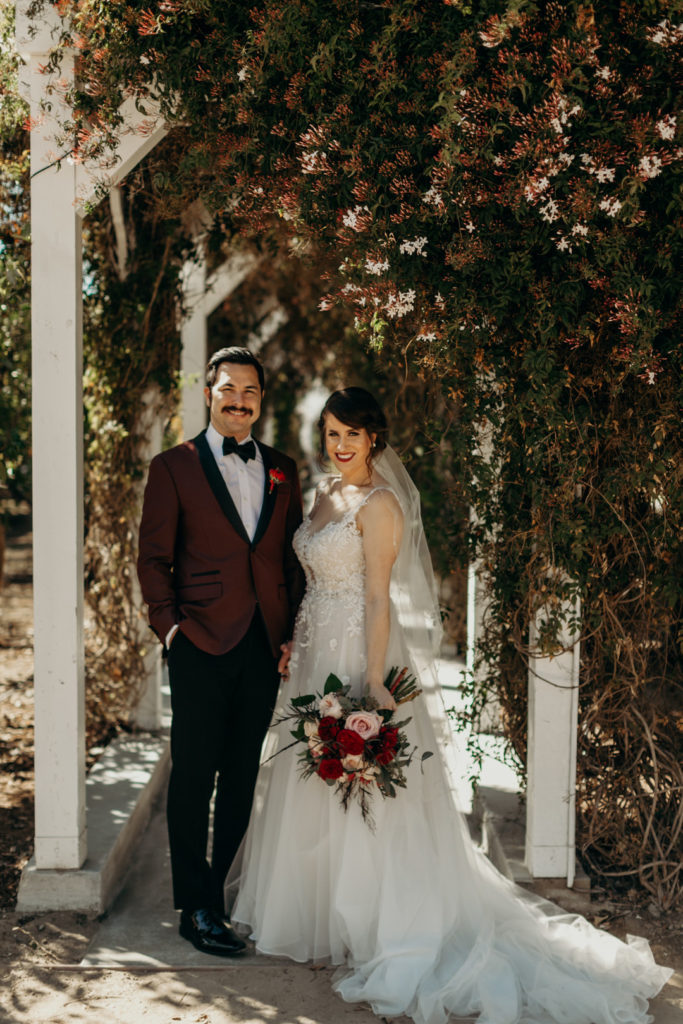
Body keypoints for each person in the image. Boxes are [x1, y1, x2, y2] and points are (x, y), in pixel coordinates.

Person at [232, 387, 672, 1023]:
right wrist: (294, 640)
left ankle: (375, 921)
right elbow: (311, 578)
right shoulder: (324, 493)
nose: (341, 444)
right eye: (331, 432)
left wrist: (376, 682)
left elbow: (378, 599)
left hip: (360, 649)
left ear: (375, 438)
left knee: (363, 788)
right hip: (312, 647)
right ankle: (320, 915)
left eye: (352, 433)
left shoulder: (381, 504)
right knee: (314, 785)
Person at [137, 346, 304, 957]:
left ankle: (220, 891)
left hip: (263, 645)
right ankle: (195, 904)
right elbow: (153, 560)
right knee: (193, 776)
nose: (240, 400)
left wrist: (292, 633)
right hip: (200, 640)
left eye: (251, 391)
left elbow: (288, 558)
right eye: (229, 389)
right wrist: (172, 629)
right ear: (209, 394)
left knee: (240, 777)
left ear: (262, 399)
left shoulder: (284, 468)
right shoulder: (173, 466)